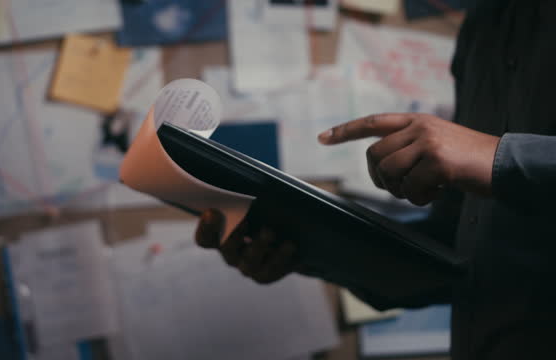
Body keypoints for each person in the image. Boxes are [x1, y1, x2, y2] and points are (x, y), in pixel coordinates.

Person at [195, 1, 556, 359]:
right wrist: (307, 244)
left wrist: (500, 159)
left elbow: (494, 166)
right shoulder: (483, 25)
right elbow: (463, 251)